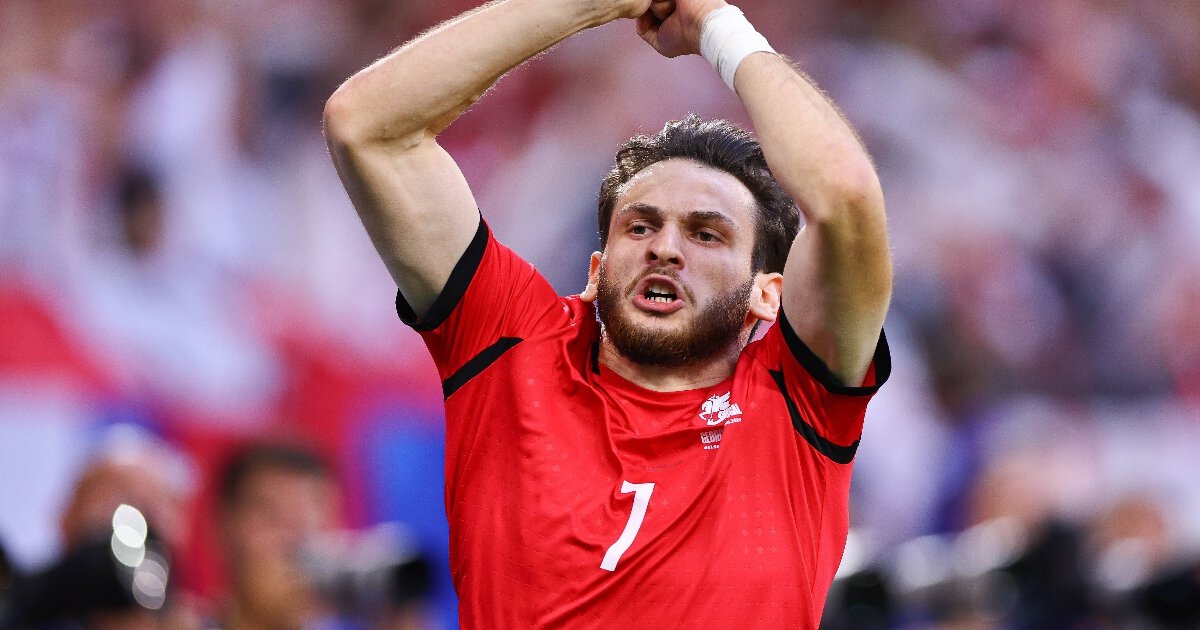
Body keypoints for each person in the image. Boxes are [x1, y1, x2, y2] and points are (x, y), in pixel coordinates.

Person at [323, 0, 892, 626]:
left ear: (767, 295)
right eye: (640, 226)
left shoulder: (797, 399)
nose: (665, 248)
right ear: (596, 272)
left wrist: (717, 26)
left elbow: (845, 196)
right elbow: (368, 127)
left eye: (706, 234)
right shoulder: (511, 350)